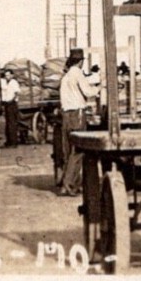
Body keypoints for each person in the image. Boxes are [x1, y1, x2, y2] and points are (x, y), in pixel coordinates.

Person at [57, 53, 97, 195]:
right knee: (78, 150)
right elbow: (88, 92)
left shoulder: (66, 77)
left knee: (68, 150)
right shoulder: (78, 74)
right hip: (77, 114)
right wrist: (100, 89)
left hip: (66, 115)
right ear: (80, 62)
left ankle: (69, 182)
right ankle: (68, 185)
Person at [0, 68, 22, 147]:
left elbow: (16, 93)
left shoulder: (14, 82)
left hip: (12, 104)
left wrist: (11, 100)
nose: (7, 76)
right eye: (6, 75)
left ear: (12, 75)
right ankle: (9, 141)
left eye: (9, 75)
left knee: (12, 123)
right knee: (8, 123)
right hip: (7, 104)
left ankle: (13, 142)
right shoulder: (6, 83)